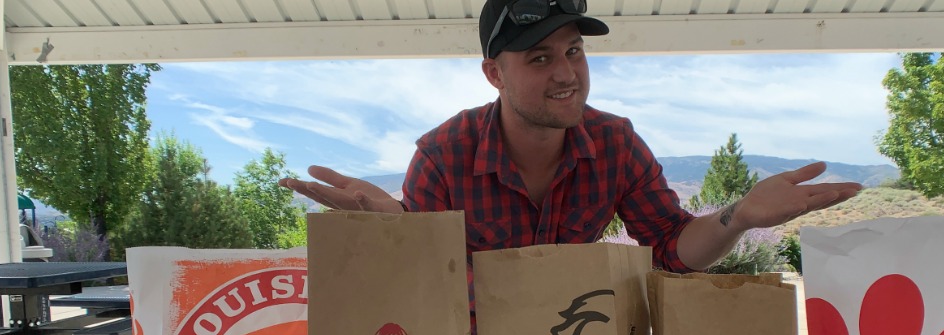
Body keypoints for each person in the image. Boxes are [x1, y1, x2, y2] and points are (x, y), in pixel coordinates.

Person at [279, 0, 862, 271]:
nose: (566, 74)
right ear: (494, 73)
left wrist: (739, 217)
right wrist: (400, 232)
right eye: (539, 58)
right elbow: (430, 285)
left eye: (574, 51)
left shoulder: (616, 144)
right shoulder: (442, 155)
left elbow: (669, 248)